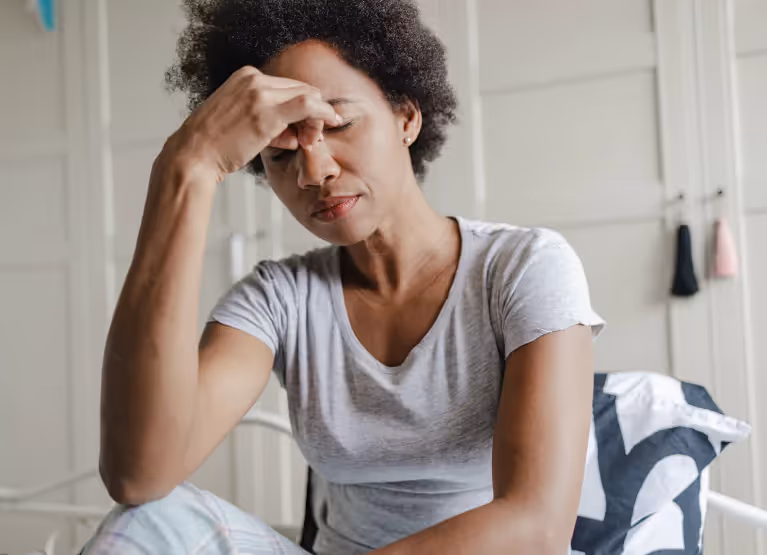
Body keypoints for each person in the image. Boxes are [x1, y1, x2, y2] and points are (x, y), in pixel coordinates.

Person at [81, 0, 604, 553]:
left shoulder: (523, 267)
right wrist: (185, 166)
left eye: (339, 124)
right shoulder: (279, 299)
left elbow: (537, 525)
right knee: (144, 523)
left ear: (407, 116)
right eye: (280, 155)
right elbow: (139, 476)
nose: (314, 170)